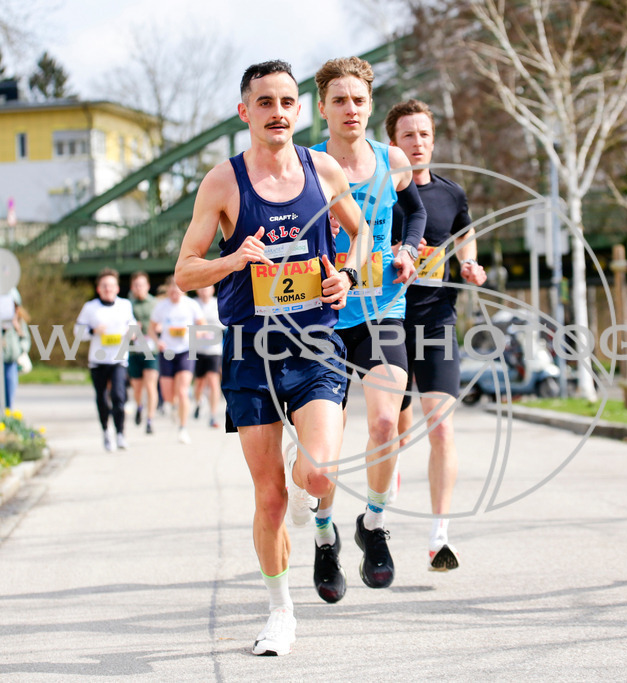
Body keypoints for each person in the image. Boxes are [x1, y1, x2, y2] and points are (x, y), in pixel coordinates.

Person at [174, 59, 370, 656]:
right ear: (245, 112)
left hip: (315, 343)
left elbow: (360, 233)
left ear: (299, 111)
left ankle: (324, 525)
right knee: (269, 495)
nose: (278, 112)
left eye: (287, 101)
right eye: (265, 102)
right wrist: (235, 259)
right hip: (248, 349)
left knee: (314, 473)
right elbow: (185, 272)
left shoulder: (324, 169)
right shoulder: (222, 183)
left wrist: (349, 273)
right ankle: (280, 611)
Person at [309, 56, 426, 599]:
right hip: (322, 316)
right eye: (339, 100)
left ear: (370, 104)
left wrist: (404, 248)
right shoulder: (306, 164)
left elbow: (416, 214)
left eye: (358, 100)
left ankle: (374, 524)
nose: (350, 109)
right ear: (323, 108)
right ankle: (324, 532)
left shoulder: (392, 158)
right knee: (323, 456)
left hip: (382, 308)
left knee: (385, 424)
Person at [384, 99, 488, 571]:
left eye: (424, 134)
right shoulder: (381, 192)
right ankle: (388, 473)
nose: (418, 142)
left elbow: (465, 235)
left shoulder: (451, 193)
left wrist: (469, 263)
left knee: (442, 425)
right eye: (408, 135)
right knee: (395, 430)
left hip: (437, 317)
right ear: (393, 143)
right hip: (388, 320)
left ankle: (439, 534)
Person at [74, 268, 138, 451]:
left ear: (117, 288)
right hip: (98, 360)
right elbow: (77, 332)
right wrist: (93, 331)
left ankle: (120, 434)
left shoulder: (125, 305)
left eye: (111, 286)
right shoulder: (90, 308)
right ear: (98, 289)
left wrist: (131, 332)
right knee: (102, 398)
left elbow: (132, 324)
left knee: (119, 396)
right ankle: (105, 431)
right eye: (104, 286)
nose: (108, 289)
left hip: (118, 359)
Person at [149, 276, 205, 445]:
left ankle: (183, 428)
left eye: (178, 288)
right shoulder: (161, 307)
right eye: (171, 289)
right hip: (166, 352)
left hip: (186, 351)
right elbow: (151, 329)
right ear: (167, 290)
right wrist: (157, 341)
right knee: (167, 395)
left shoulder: (191, 305)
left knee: (182, 391)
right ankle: (173, 407)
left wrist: (194, 334)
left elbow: (203, 327)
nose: (175, 292)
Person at [127, 271, 159, 435]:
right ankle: (139, 406)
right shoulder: (127, 305)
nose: (139, 288)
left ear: (147, 286)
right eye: (136, 285)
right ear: (132, 287)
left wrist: (157, 329)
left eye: (142, 284)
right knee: (137, 388)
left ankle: (150, 419)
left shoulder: (155, 303)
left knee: (150, 385)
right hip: (133, 351)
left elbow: (162, 323)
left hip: (151, 350)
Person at [191, 284, 224, 428]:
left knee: (213, 380)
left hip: (214, 350)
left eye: (207, 289)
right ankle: (199, 402)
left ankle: (213, 415)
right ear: (197, 290)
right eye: (202, 289)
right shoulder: (193, 304)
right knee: (199, 383)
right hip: (197, 349)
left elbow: (224, 324)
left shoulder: (218, 303)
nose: (204, 292)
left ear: (212, 290)